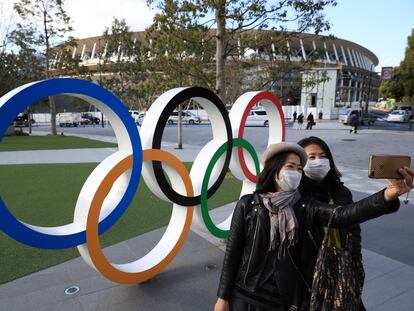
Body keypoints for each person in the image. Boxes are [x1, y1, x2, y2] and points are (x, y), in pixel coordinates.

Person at [214, 142, 413, 311]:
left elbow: (343, 215)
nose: (296, 172)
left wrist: (388, 194)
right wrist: (223, 296)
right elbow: (233, 253)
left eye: (299, 168)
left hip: (287, 301)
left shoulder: (305, 206)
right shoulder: (248, 205)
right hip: (246, 296)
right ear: (274, 171)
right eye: (290, 167)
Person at [297, 136, 366, 310]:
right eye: (311, 157)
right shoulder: (296, 196)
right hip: (309, 273)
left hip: (342, 268)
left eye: (323, 156)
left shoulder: (341, 192)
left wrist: (355, 261)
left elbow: (354, 230)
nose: (318, 161)